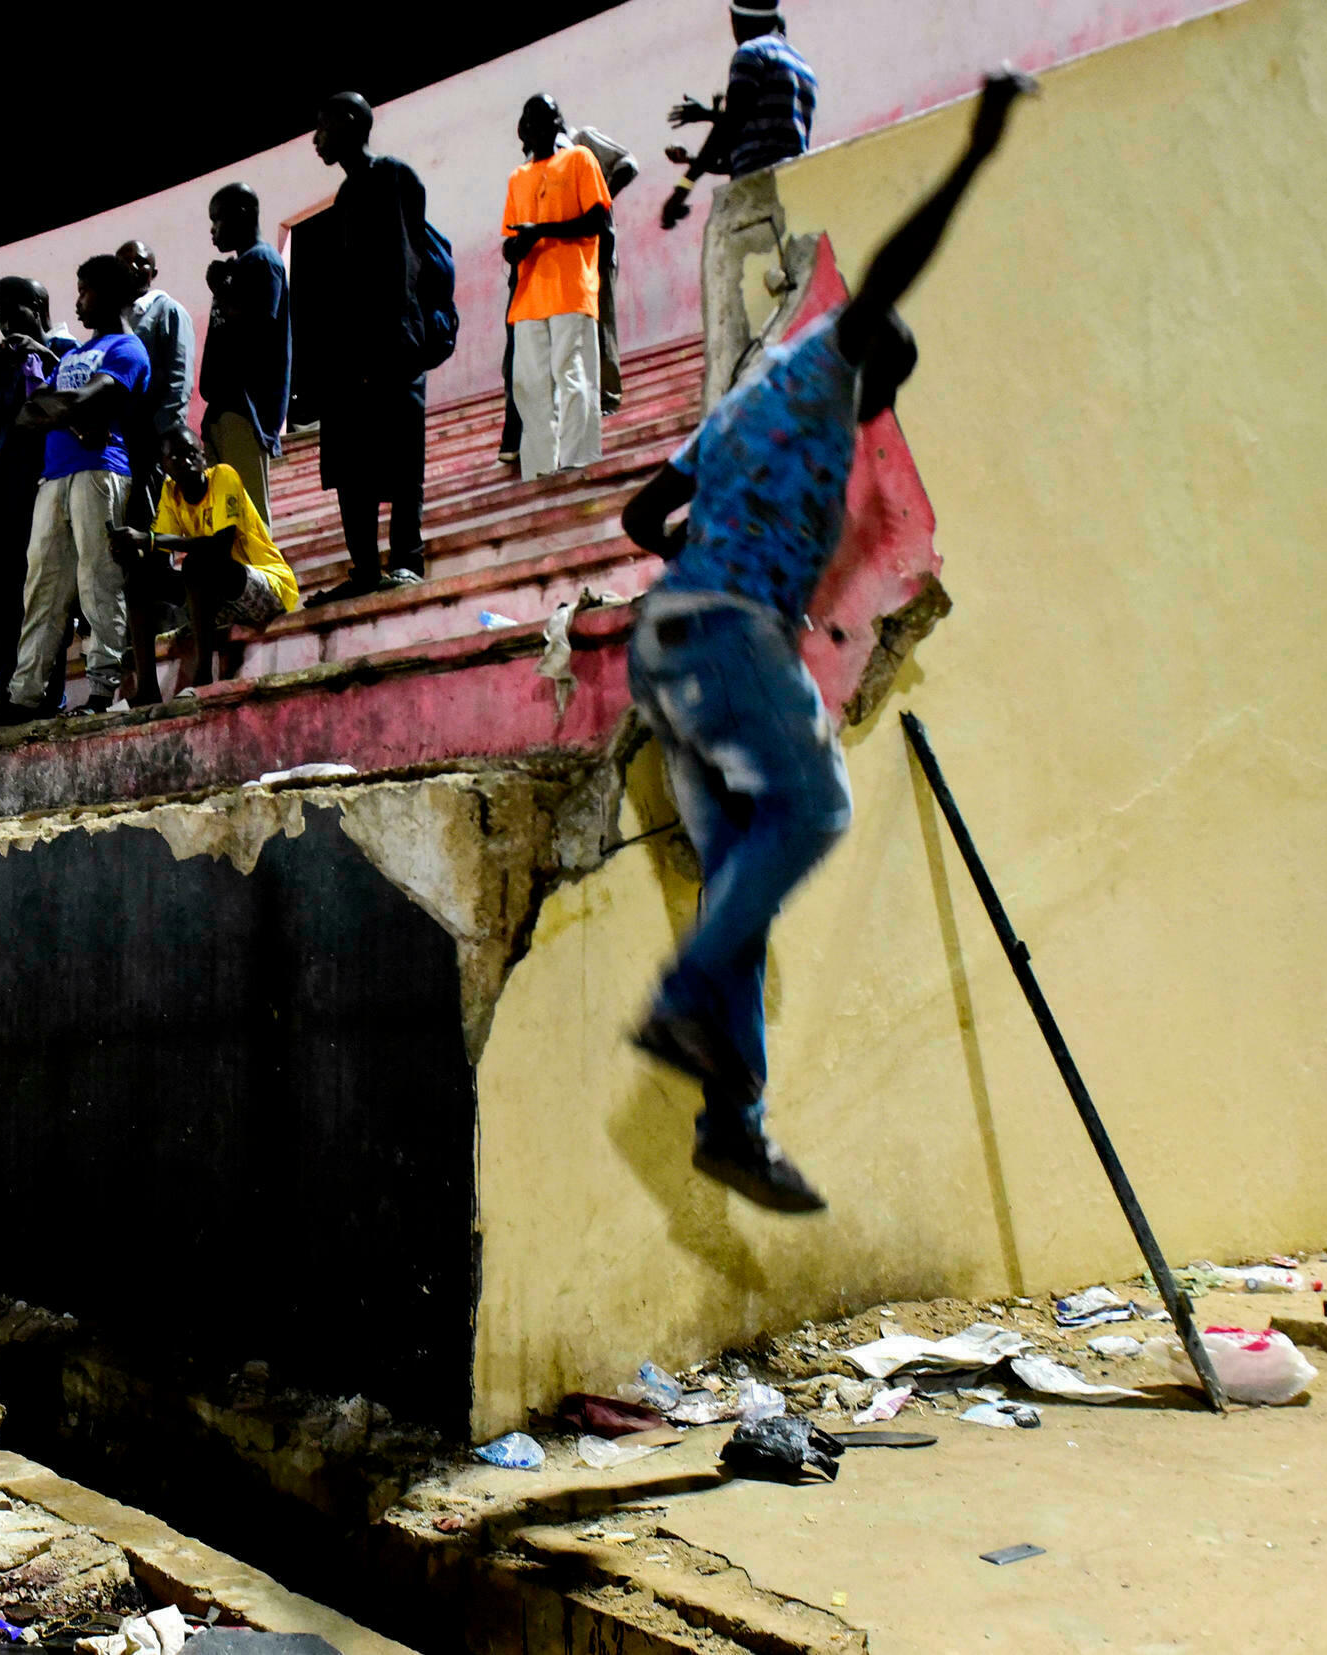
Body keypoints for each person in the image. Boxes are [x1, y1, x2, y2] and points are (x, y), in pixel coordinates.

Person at [619, 70, 1029, 1213]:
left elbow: (637, 516)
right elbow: (889, 275)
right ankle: (683, 1001)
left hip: (669, 643)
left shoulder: (736, 413)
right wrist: (974, 154)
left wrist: (710, 555)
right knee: (815, 807)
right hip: (722, 636)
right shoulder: (821, 373)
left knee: (736, 878)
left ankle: (731, 1123)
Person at [297, 92, 457, 606]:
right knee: (350, 462)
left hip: (393, 349)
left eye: (322, 126)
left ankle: (405, 559)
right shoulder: (346, 196)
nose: (316, 138)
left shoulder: (394, 176)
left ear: (348, 122)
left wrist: (390, 348)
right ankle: (365, 567)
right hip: (353, 355)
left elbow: (406, 265)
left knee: (402, 460)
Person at [10, 255, 154, 720]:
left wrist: (62, 409)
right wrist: (72, 421)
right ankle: (24, 696)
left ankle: (100, 692)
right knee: (42, 588)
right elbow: (27, 413)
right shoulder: (72, 355)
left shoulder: (127, 350)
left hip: (102, 472)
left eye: (85, 289)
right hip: (56, 476)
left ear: (109, 294)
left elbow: (86, 398)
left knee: (99, 583)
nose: (78, 301)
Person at [115, 427, 298, 701]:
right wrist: (131, 554)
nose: (187, 462)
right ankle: (147, 690)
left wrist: (149, 539)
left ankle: (202, 678)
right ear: (163, 465)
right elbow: (157, 561)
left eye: (192, 454)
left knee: (197, 564)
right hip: (214, 596)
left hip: (266, 588)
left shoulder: (223, 476)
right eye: (176, 457)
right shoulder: (170, 493)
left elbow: (219, 547)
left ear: (203, 456)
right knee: (139, 580)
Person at [0, 278, 76, 722]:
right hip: (6, 494)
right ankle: (12, 695)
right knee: (8, 600)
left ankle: (48, 695)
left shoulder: (67, 351)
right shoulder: (1, 361)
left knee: (45, 596)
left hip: (49, 486)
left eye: (13, 313)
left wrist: (40, 354)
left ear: (39, 306)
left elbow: (67, 408)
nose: (5, 324)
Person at [502, 117, 637, 464]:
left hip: (594, 248)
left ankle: (606, 400)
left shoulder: (583, 141)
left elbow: (627, 165)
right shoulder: (530, 171)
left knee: (599, 324)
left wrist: (596, 195)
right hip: (556, 267)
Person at [662, 0, 820, 230]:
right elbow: (751, 141)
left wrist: (684, 186)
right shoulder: (802, 66)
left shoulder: (751, 53)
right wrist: (693, 158)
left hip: (759, 190)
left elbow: (732, 122)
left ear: (738, 21)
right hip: (795, 186)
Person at [199, 184, 291, 529]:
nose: (213, 230)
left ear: (242, 214)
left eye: (217, 219)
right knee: (226, 518)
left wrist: (221, 288)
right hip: (224, 407)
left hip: (246, 407)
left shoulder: (262, 262)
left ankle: (267, 583)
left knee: (250, 516)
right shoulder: (238, 266)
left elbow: (258, 326)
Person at [117, 240, 194, 523]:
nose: (132, 267)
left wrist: (166, 436)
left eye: (141, 262)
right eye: (124, 261)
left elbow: (179, 377)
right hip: (120, 443)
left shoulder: (168, 311)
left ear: (154, 272)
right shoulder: (113, 319)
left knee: (155, 521)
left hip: (153, 440)